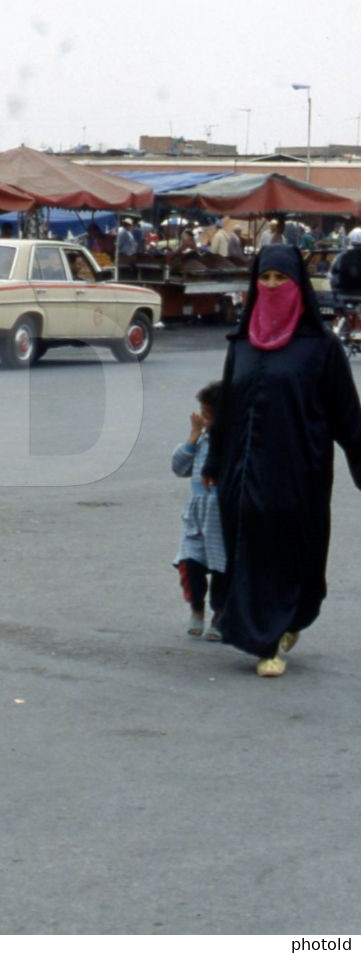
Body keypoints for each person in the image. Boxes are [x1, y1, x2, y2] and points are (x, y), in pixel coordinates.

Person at [202, 245, 361, 677]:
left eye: (281, 279)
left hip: (297, 471)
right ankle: (263, 632)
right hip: (241, 469)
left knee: (285, 551)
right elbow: (228, 409)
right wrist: (214, 462)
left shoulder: (321, 348)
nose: (271, 286)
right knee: (247, 549)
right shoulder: (243, 343)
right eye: (265, 278)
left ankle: (273, 636)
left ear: (298, 285)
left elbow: (348, 415)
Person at [173, 382, 226, 641]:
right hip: (196, 518)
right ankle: (196, 608)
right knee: (190, 565)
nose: (203, 420)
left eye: (208, 415)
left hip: (223, 521)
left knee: (222, 572)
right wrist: (192, 437)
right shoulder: (203, 439)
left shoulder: (233, 442)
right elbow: (179, 468)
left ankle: (220, 615)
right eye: (201, 414)